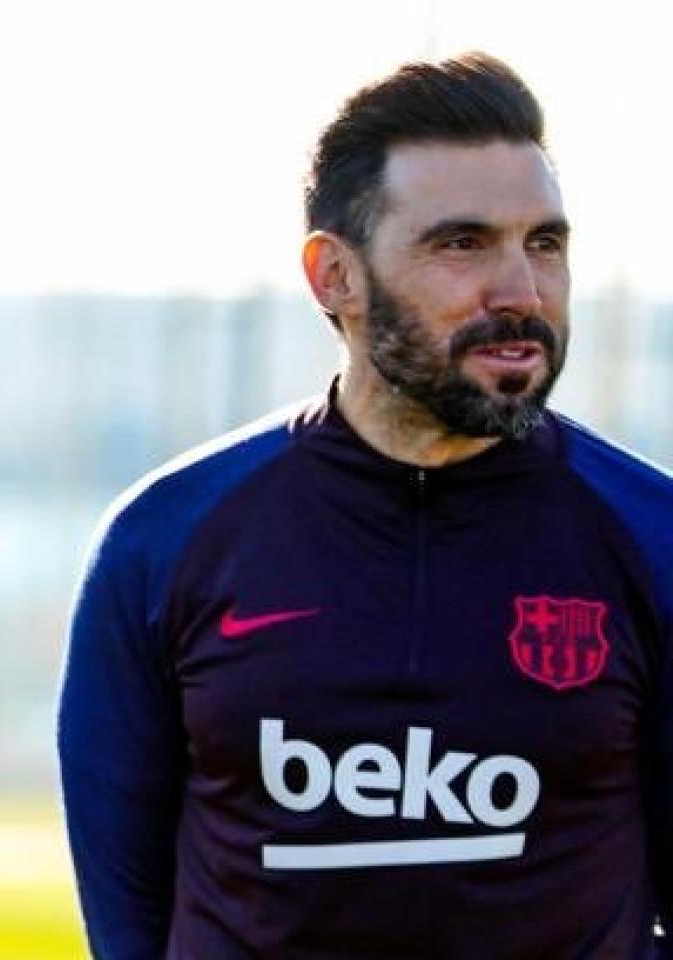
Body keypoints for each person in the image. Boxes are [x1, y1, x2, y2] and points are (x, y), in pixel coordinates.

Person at [58, 52, 673, 957]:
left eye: (544, 243)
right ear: (333, 277)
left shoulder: (652, 540)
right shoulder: (167, 540)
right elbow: (128, 921)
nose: (521, 291)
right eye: (462, 243)